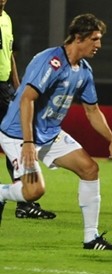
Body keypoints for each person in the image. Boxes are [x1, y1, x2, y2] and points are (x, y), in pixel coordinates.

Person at [0, 13, 112, 250]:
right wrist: (27, 143)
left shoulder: (84, 70)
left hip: (49, 133)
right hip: (18, 134)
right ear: (79, 38)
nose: (99, 45)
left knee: (90, 169)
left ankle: (91, 238)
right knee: (34, 191)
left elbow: (92, 111)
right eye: (95, 39)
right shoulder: (51, 61)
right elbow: (27, 100)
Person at [0, 0, 56, 219]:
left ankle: (24, 200)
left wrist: (17, 86)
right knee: (17, 138)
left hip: (3, 88)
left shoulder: (6, 19)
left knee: (17, 139)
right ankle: (24, 200)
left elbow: (10, 55)